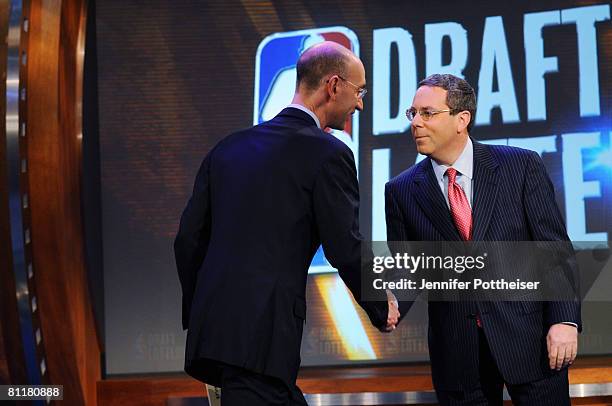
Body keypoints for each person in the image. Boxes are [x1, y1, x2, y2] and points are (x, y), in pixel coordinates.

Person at [174, 41, 399, 406]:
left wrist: (201, 311)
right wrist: (381, 305)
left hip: (215, 342)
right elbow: (345, 245)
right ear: (333, 85)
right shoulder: (328, 154)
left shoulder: (227, 148)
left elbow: (188, 241)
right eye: (359, 91)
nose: (360, 103)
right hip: (262, 340)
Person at [385, 74, 581, 405]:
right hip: (458, 356)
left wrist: (564, 319)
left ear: (462, 119)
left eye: (428, 113)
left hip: (530, 341)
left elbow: (553, 249)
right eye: (413, 113)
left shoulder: (520, 166)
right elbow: (411, 268)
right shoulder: (401, 190)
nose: (416, 123)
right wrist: (386, 302)